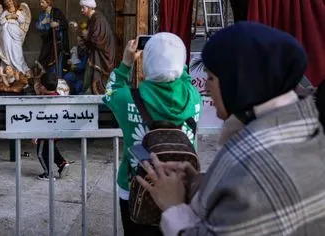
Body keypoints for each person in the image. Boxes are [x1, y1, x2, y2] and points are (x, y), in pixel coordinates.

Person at [136, 22, 325, 235]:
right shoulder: (300, 130)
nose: (205, 87)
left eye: (211, 78)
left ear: (241, 83)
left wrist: (174, 208)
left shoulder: (255, 173)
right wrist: (200, 183)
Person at [103, 33, 201, 236]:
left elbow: (109, 92)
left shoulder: (127, 98)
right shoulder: (194, 96)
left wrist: (126, 63)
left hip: (135, 186)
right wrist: (172, 56)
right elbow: (185, 78)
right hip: (181, 186)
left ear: (147, 63)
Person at [34, 71, 69, 180]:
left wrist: (35, 134)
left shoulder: (42, 101)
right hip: (57, 131)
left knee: (41, 153)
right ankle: (62, 164)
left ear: (43, 87)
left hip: (45, 133)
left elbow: (39, 119)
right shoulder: (57, 96)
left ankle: (48, 173)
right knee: (51, 147)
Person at [79, 0, 116, 94]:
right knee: (89, 77)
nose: (81, 10)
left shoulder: (98, 18)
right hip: (95, 54)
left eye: (83, 7)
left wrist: (87, 35)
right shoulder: (92, 19)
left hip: (101, 55)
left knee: (94, 78)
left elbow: (98, 38)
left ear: (90, 8)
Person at [35, 0, 69, 77]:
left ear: (48, 2)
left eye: (42, 2)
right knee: (44, 59)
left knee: (56, 60)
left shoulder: (56, 12)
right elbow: (38, 27)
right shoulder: (42, 15)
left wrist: (57, 24)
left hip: (56, 41)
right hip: (47, 41)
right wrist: (43, 23)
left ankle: (57, 77)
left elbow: (65, 23)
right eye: (40, 2)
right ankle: (47, 79)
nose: (41, 4)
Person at [0, 0, 30, 74]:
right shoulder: (5, 12)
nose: (9, 3)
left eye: (10, 1)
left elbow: (22, 20)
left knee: (17, 51)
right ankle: (9, 67)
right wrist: (8, 16)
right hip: (6, 33)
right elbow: (0, 22)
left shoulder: (18, 11)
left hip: (15, 33)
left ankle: (19, 68)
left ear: (13, 1)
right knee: (7, 49)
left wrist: (16, 16)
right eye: (7, 2)